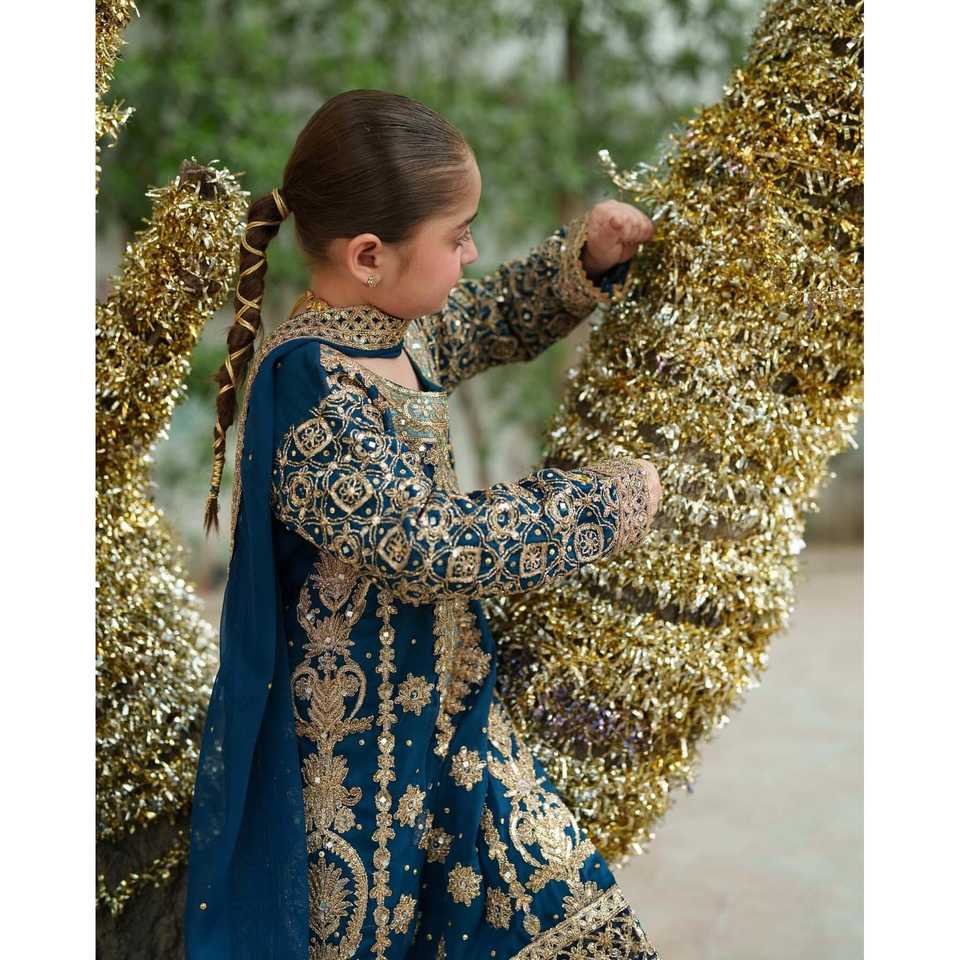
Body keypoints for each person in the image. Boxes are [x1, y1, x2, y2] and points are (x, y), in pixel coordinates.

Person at [185, 88, 663, 960]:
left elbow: (491, 316)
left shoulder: (397, 334)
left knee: (588, 932)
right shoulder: (311, 389)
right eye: (458, 236)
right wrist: (601, 505)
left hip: (458, 732)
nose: (471, 252)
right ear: (369, 256)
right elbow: (429, 543)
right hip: (356, 783)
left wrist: (584, 261)